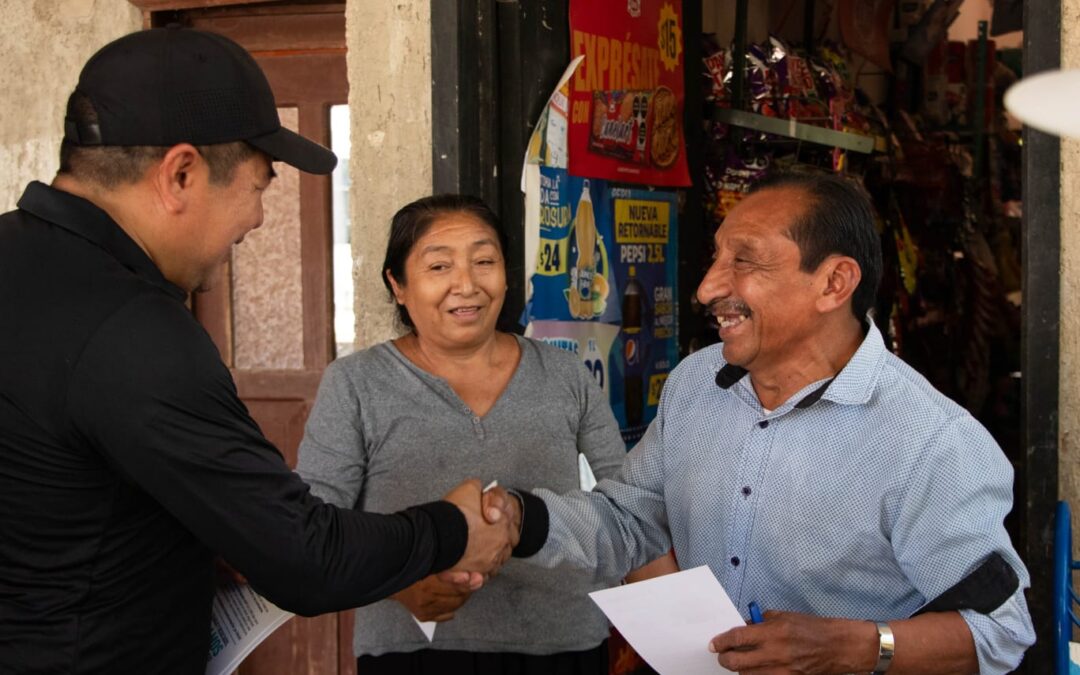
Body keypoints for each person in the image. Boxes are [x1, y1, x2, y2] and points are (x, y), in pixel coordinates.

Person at [0, 27, 517, 673]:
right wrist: (454, 527)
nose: (259, 219)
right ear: (181, 173)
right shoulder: (133, 328)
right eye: (259, 185)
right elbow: (306, 560)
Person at [489, 173, 1036, 674]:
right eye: (716, 258)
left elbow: (1000, 632)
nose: (706, 288)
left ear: (833, 283)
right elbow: (632, 522)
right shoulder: (697, 382)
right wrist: (519, 519)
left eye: (744, 262)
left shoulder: (930, 442)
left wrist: (851, 648)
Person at [296, 194, 633, 674]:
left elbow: (625, 504)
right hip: (414, 649)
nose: (467, 285)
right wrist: (398, 582)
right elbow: (316, 526)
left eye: (484, 261)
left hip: (564, 643)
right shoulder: (356, 383)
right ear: (398, 285)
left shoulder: (565, 374)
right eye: (439, 267)